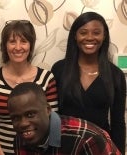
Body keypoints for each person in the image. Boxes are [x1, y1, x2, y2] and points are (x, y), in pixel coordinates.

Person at [51, 12, 126, 153]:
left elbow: (118, 123)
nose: (90, 37)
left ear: (104, 36)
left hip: (100, 147)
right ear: (75, 36)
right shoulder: (59, 69)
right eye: (83, 32)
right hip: (66, 147)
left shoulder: (116, 75)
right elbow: (53, 116)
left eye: (96, 33)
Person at [0, 20, 58, 155]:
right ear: (5, 46)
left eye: (24, 41)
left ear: (30, 45)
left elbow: (52, 122)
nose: (18, 47)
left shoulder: (46, 78)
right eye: (12, 41)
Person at [8, 82, 121, 155]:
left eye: (30, 115)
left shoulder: (87, 140)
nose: (23, 124)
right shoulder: (20, 141)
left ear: (48, 110)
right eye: (16, 118)